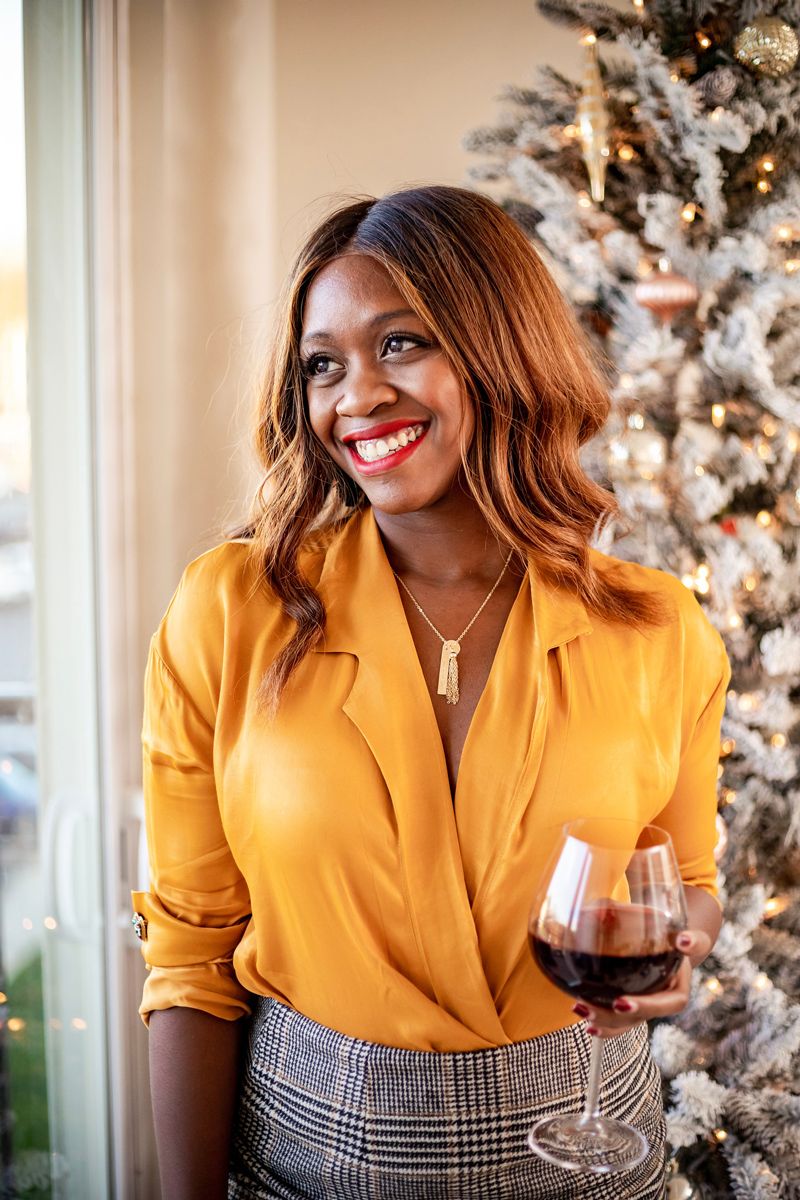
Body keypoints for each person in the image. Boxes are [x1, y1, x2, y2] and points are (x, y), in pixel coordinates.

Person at [132, 185, 730, 1200]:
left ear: (502, 351)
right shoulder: (230, 609)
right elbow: (191, 956)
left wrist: (679, 949)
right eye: (322, 365)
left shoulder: (658, 628)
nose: (355, 397)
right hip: (307, 1149)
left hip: (589, 1141)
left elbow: (687, 879)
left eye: (400, 344)